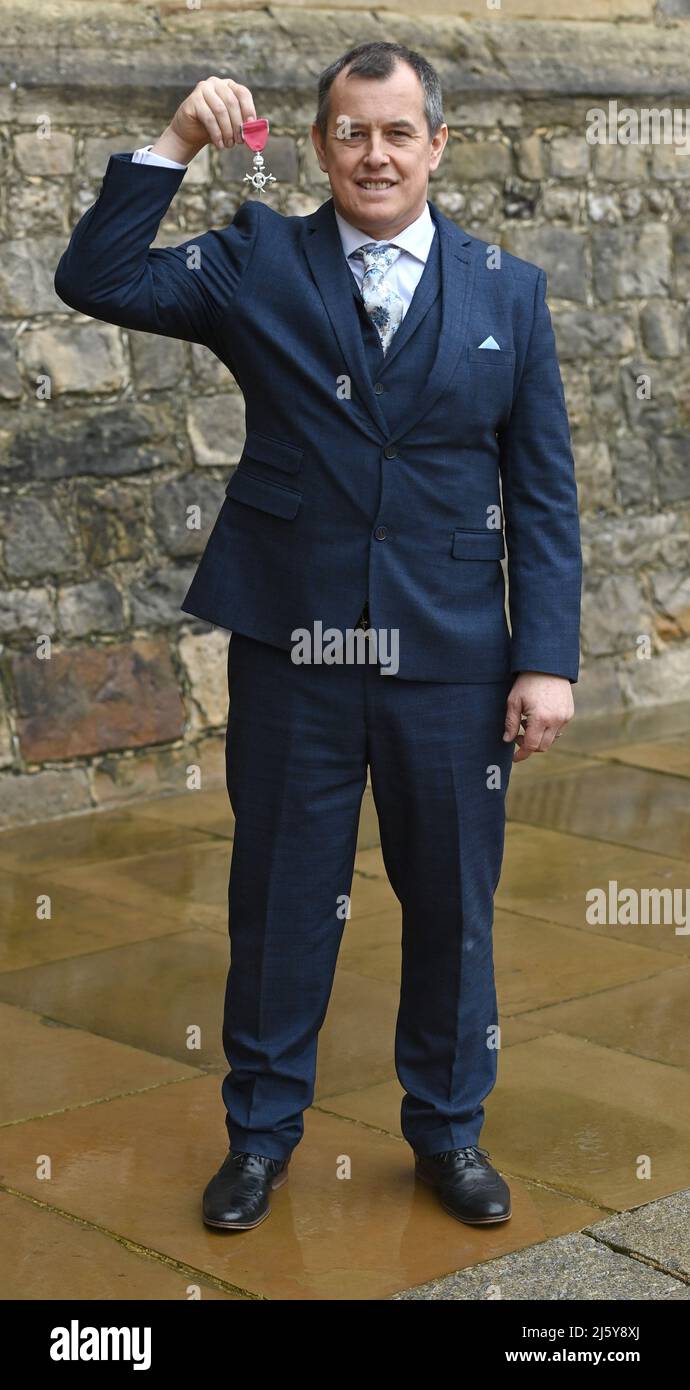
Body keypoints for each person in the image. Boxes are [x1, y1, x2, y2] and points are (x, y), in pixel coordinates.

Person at [54, 40, 582, 1233]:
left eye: (399, 132)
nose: (376, 153)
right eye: (352, 131)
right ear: (321, 144)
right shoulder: (257, 261)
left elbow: (543, 494)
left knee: (452, 905)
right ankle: (259, 1138)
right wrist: (178, 144)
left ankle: (449, 1133)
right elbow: (95, 280)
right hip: (297, 647)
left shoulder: (511, 291)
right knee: (283, 899)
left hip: (453, 659)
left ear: (438, 144)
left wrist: (545, 656)